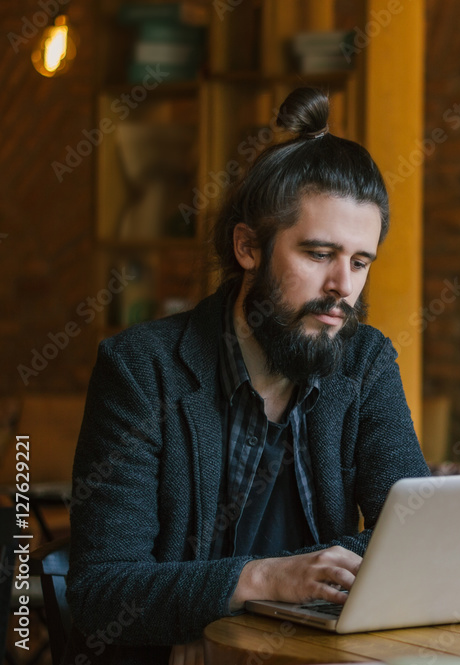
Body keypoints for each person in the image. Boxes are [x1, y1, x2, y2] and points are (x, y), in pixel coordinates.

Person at [64, 87, 430, 664]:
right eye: (318, 254)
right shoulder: (142, 370)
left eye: (360, 262)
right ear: (247, 247)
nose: (343, 287)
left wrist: (235, 595)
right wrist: (264, 581)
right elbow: (101, 592)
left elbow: (414, 539)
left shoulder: (365, 362)